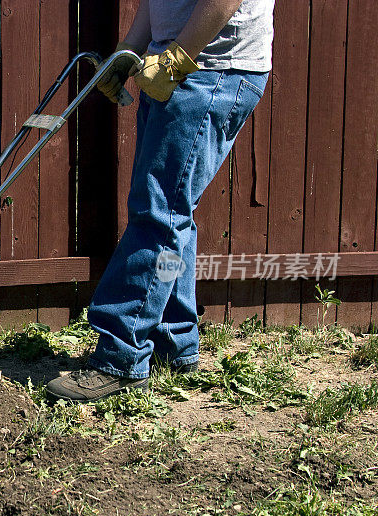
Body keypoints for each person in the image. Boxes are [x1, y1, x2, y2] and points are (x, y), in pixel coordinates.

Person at [46, 0, 274, 402]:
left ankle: (121, 356)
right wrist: (128, 50)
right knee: (173, 217)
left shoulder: (191, 64)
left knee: (159, 215)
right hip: (176, 65)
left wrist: (178, 56)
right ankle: (175, 342)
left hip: (208, 69)